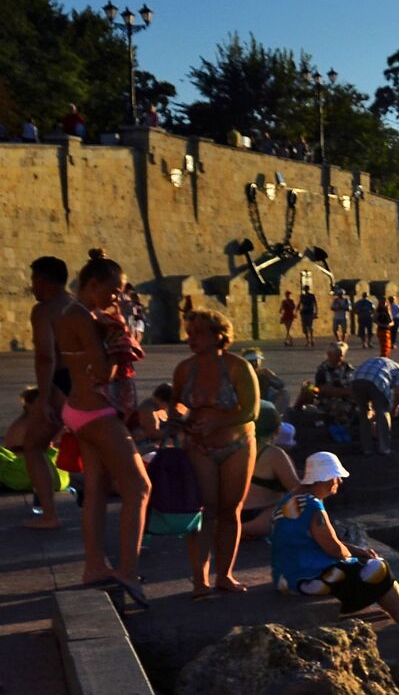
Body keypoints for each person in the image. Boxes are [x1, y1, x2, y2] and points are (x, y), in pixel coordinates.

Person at [51, 251, 154, 604]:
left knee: (95, 488)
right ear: (91, 286)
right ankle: (127, 569)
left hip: (78, 411)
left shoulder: (74, 314)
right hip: (95, 413)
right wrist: (122, 337)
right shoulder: (81, 317)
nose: (117, 299)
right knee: (140, 488)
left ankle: (94, 565)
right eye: (112, 292)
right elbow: (104, 371)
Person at [269, 452, 399, 640]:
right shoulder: (313, 507)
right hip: (304, 580)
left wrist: (359, 552)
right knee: (378, 568)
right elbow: (333, 549)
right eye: (336, 477)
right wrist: (356, 558)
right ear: (324, 478)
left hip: (286, 575)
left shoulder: (291, 499)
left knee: (368, 567)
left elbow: (321, 540)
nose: (339, 482)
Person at [173, 308, 261, 594]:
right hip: (199, 445)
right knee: (203, 512)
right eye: (189, 334)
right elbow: (176, 404)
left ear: (218, 335)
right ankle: (200, 579)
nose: (192, 339)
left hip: (237, 444)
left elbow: (251, 410)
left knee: (230, 510)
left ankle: (225, 574)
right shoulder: (185, 369)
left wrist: (217, 421)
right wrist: (176, 418)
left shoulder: (237, 367)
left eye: (199, 333)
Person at [17, 257, 73, 529]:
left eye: (34, 280)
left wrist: (45, 396)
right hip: (85, 382)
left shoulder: (44, 310)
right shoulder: (77, 304)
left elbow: (45, 357)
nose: (32, 286)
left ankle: (50, 514)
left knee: (33, 446)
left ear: (43, 280)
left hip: (60, 383)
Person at [241, 408, 302, 538]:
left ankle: (235, 530)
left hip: (233, 515)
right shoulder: (274, 454)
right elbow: (297, 490)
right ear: (278, 430)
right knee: (303, 500)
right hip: (261, 517)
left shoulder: (238, 448)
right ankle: (244, 530)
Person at [349, 353, 399, 455]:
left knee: (363, 413)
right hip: (376, 380)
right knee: (383, 412)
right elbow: (398, 392)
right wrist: (394, 409)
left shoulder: (375, 360)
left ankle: (367, 448)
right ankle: (384, 448)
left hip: (356, 380)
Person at [304, 342, 356, 427]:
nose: (340, 358)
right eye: (338, 355)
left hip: (348, 398)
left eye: (342, 355)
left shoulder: (348, 367)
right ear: (329, 354)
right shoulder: (323, 370)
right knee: (340, 407)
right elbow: (323, 389)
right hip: (329, 401)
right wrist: (346, 391)